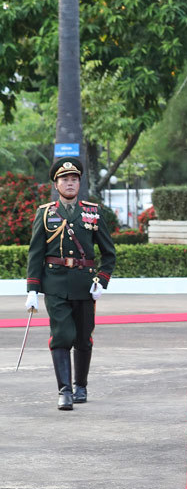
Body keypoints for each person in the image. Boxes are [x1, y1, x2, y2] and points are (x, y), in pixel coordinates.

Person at [26, 157, 116, 410]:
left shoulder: (92, 212)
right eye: (65, 179)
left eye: (74, 179)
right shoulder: (45, 213)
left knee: (84, 338)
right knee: (62, 335)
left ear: (79, 183)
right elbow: (35, 253)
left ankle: (81, 386)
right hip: (55, 285)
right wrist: (32, 289)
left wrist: (101, 281)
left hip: (84, 285)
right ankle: (64, 390)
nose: (70, 183)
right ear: (56, 184)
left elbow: (109, 253)